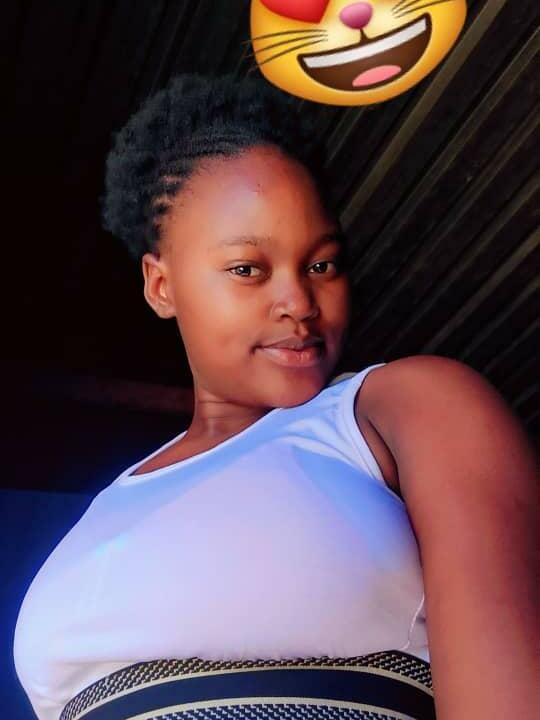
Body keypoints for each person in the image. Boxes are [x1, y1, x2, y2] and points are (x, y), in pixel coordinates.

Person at [13, 73, 538, 720]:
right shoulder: (108, 506)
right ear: (161, 285)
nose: (298, 302)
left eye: (321, 264)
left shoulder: (402, 410)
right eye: (247, 269)